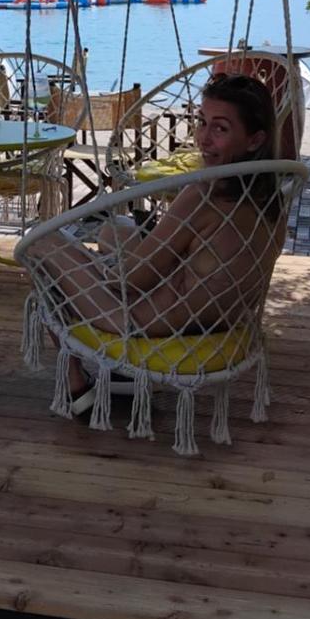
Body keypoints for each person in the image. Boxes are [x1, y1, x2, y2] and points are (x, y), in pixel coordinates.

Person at [29, 73, 282, 400]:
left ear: (254, 140)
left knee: (41, 243)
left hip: (139, 322)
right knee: (116, 228)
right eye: (202, 122)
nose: (203, 139)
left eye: (220, 129)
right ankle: (104, 376)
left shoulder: (203, 194)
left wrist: (91, 265)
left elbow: (130, 281)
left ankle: (75, 383)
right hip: (220, 318)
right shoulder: (272, 198)